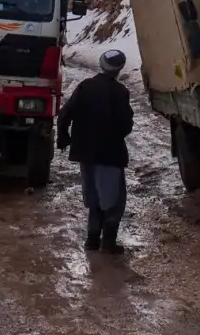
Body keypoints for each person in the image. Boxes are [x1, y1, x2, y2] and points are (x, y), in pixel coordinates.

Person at [56, 48, 134, 253]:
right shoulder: (120, 92)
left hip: (84, 153)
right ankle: (108, 243)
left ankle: (91, 240)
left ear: (101, 64)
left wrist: (63, 137)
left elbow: (65, 113)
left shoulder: (85, 86)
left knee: (94, 197)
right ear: (119, 69)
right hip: (110, 154)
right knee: (113, 200)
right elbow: (126, 125)